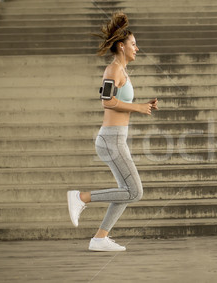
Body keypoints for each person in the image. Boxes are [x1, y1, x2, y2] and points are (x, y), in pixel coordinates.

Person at [67, 12, 158, 252]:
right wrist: (138, 108)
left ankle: (100, 238)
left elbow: (119, 102)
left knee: (125, 191)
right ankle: (80, 198)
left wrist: (144, 105)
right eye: (133, 44)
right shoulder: (112, 70)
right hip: (110, 140)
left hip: (117, 139)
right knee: (134, 191)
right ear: (121, 45)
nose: (137, 48)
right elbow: (106, 101)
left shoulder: (123, 71)